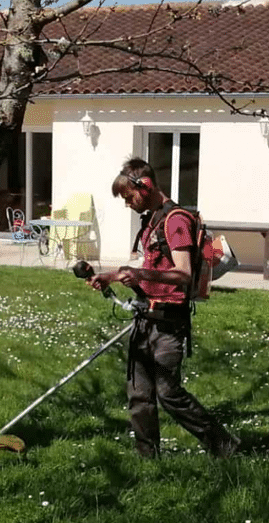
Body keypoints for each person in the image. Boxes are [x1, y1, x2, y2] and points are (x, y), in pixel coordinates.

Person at [87, 157, 239, 459]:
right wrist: (113, 276)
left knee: (169, 393)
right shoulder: (151, 221)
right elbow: (151, 267)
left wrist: (141, 274)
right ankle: (148, 458)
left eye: (129, 196)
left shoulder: (175, 221)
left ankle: (225, 446)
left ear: (145, 186)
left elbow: (183, 273)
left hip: (168, 322)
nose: (127, 203)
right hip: (145, 317)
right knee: (139, 395)